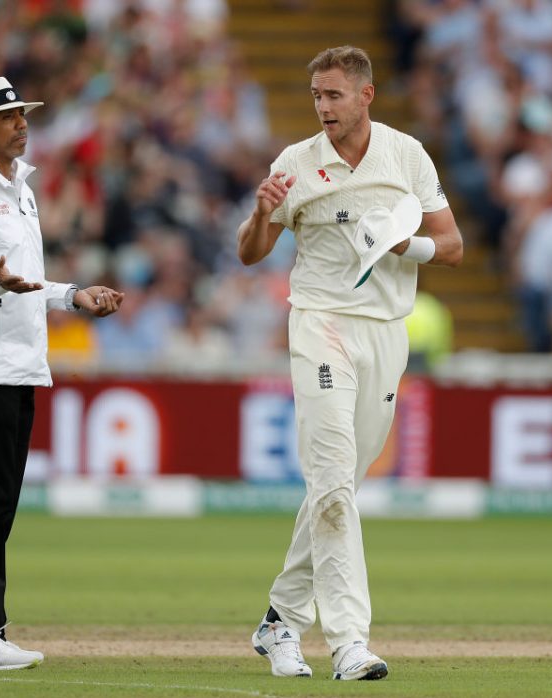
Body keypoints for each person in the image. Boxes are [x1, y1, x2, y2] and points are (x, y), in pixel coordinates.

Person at [235, 46, 463, 681]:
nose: (323, 107)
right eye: (316, 96)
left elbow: (452, 247)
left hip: (386, 334)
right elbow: (250, 252)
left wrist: (403, 244)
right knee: (333, 479)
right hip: (320, 325)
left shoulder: (405, 154)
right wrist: (260, 212)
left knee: (338, 488)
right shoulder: (296, 164)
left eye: (334, 95)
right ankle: (348, 643)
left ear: (366, 95)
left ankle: (280, 619)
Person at [0, 77, 124, 670]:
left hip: (20, 361)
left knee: (1, 501)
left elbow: (24, 278)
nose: (21, 123)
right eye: (8, 117)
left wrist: (72, 295)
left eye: (22, 114)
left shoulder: (20, 189)